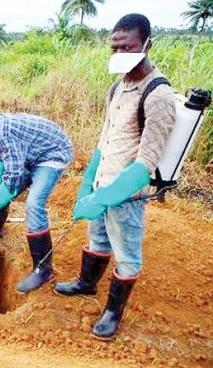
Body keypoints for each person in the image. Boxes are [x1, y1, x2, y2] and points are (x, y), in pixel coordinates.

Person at [54, 14, 176, 340]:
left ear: (148, 44)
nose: (120, 52)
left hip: (127, 195)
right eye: (115, 46)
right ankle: (86, 284)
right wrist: (88, 184)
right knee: (98, 239)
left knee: (126, 254)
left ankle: (112, 313)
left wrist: (105, 197)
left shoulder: (158, 96)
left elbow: (145, 164)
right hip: (103, 181)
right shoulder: (117, 87)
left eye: (128, 46)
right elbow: (104, 140)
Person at [0, 103, 73, 293]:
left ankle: (43, 269)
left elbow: (13, 177)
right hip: (30, 153)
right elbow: (1, 161)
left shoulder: (6, 133)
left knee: (34, 203)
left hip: (51, 154)